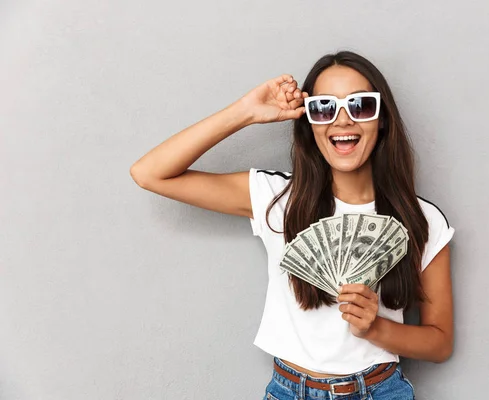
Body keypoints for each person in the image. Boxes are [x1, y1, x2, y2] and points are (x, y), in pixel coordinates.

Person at [130, 51, 455, 400]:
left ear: (382, 119)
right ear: (309, 122)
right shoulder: (278, 198)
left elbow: (439, 343)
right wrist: (246, 112)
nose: (342, 120)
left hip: (380, 391)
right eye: (324, 108)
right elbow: (149, 173)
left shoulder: (422, 219)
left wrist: (376, 328)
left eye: (360, 105)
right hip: (290, 391)